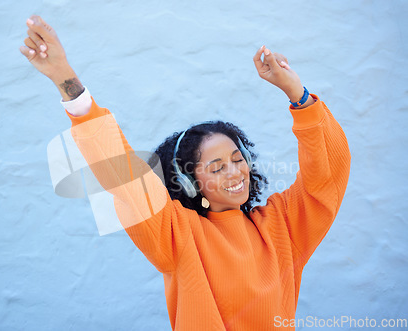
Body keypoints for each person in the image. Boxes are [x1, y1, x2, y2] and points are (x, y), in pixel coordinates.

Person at [20, 15, 351, 331]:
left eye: (238, 159)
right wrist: (67, 81)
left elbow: (327, 177)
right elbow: (125, 176)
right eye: (217, 167)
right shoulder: (177, 236)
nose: (235, 172)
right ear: (190, 183)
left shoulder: (283, 227)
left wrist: (299, 95)